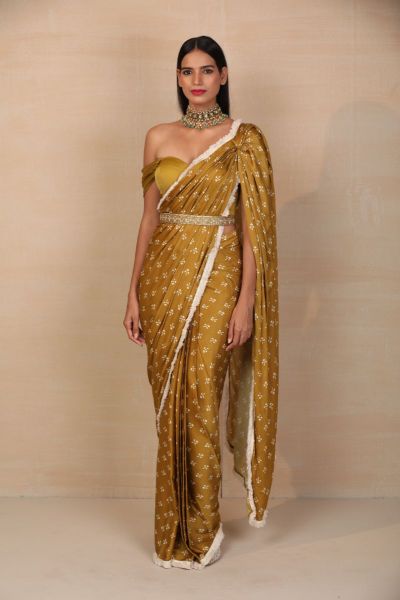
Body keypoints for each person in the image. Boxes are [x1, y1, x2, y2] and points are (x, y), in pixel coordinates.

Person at [123, 35, 279, 570]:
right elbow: (149, 217)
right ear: (178, 77)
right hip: (162, 278)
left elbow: (253, 229)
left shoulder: (244, 139)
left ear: (223, 76)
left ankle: (205, 526)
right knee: (169, 404)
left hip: (219, 273)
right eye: (187, 71)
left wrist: (246, 301)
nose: (196, 81)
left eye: (207, 70)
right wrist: (132, 292)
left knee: (201, 397)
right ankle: (174, 528)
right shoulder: (157, 136)